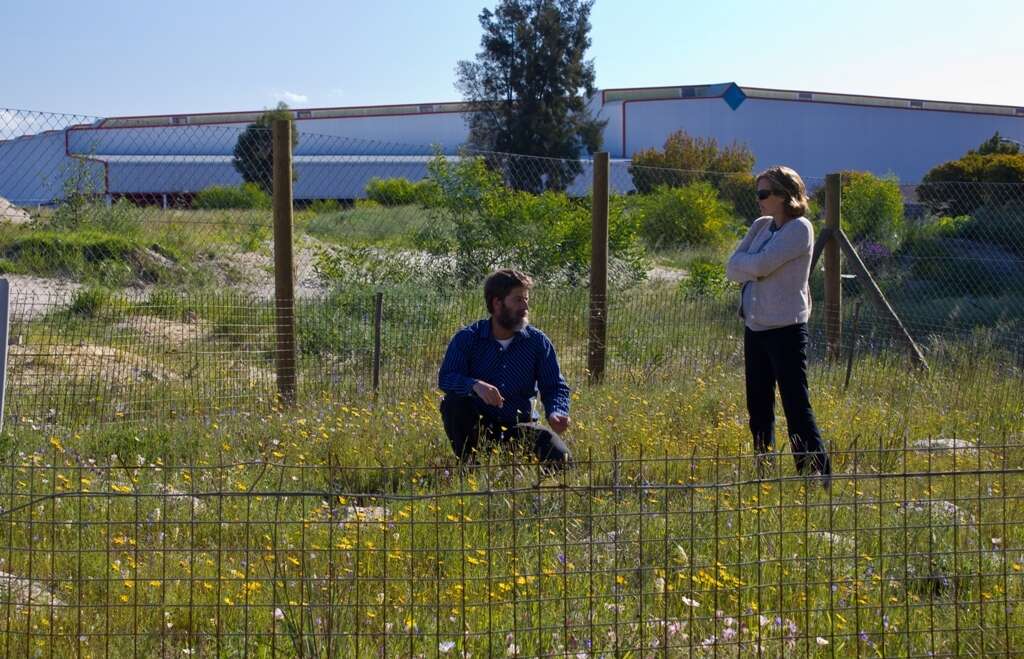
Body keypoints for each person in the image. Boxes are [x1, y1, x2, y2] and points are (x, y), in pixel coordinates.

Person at [726, 166, 831, 487]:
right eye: (757, 193)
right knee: (758, 406)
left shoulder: (800, 229)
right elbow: (732, 268)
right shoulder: (761, 226)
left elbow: (758, 264)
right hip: (755, 327)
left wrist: (751, 267)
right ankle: (763, 470)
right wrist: (751, 267)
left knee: (796, 405)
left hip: (786, 330)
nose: (758, 201)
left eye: (763, 194)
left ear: (786, 196)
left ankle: (815, 475)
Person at [438, 269, 572, 466]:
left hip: (519, 427)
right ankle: (470, 466)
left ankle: (522, 472)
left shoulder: (536, 342)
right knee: (454, 403)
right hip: (478, 426)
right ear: (496, 303)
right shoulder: (467, 339)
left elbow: (554, 385)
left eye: (526, 299)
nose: (525, 305)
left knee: (562, 462)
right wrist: (474, 385)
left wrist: (556, 411)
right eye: (518, 300)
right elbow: (446, 378)